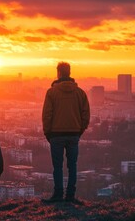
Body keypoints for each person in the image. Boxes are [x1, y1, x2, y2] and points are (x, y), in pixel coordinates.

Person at [41, 62, 90, 203]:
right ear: (69, 72)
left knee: (57, 166)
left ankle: (58, 195)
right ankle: (70, 195)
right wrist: (80, 130)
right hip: (74, 134)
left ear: (58, 73)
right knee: (72, 166)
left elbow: (47, 115)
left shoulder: (51, 92)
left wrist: (47, 133)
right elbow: (86, 114)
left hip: (56, 134)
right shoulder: (80, 93)